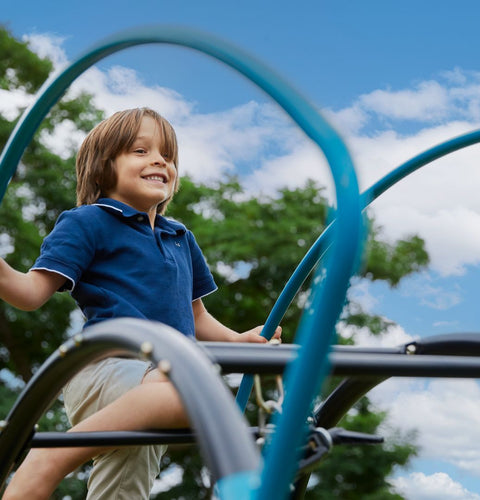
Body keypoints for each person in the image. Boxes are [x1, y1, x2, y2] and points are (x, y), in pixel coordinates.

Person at [1, 107, 281, 500]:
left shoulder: (179, 236)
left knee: (126, 488)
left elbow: (196, 315)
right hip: (108, 368)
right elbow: (30, 293)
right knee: (196, 391)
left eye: (167, 155)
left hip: (161, 376)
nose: (159, 161)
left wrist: (238, 341)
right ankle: (46, 461)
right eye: (139, 150)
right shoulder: (89, 221)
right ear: (103, 168)